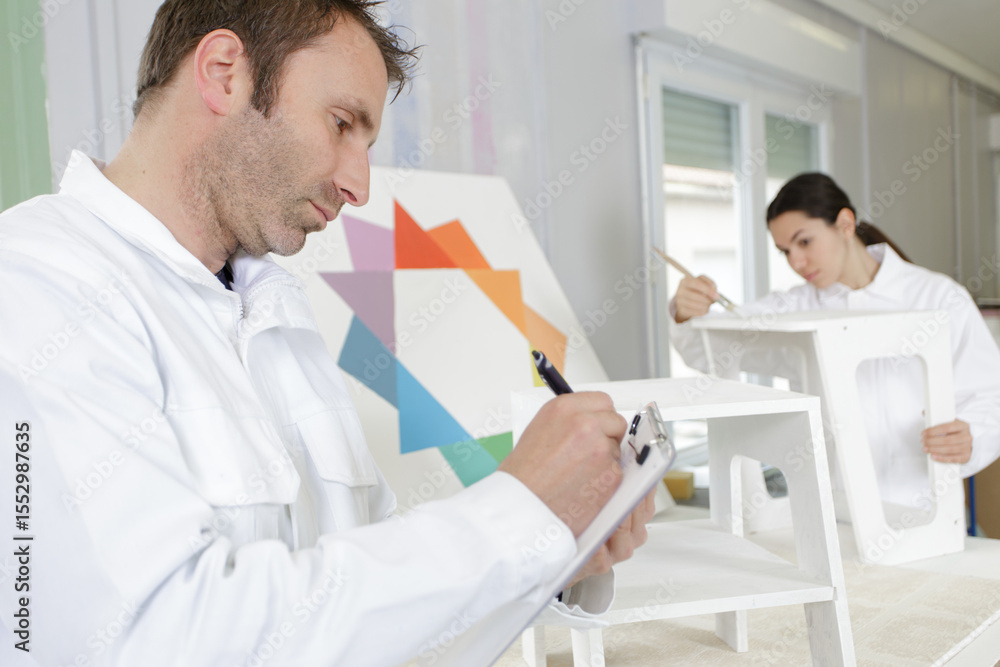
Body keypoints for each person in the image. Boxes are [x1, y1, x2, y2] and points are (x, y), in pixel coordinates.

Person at [0, 2, 655, 665]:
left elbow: (371, 601)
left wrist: (554, 541)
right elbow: (160, 637)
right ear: (224, 73)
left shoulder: (275, 309)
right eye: (341, 124)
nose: (359, 184)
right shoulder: (37, 286)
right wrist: (519, 508)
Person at [670, 172, 1000, 510]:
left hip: (926, 509)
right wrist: (684, 312)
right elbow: (712, 348)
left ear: (844, 223)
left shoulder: (937, 297)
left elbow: (990, 394)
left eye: (804, 242)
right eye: (785, 251)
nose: (796, 262)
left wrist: (972, 435)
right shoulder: (791, 309)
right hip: (830, 516)